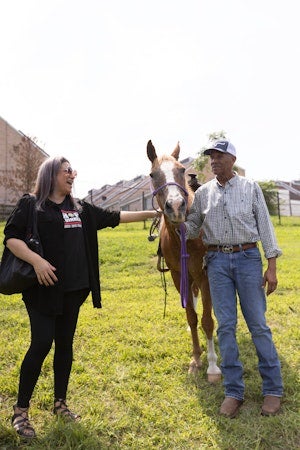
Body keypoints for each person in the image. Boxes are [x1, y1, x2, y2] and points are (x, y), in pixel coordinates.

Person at [4, 156, 158, 439]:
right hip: (42, 291)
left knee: (65, 345)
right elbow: (11, 238)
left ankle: (60, 403)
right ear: (52, 174)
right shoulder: (32, 204)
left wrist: (154, 214)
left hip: (73, 290)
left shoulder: (81, 209)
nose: (72, 175)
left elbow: (116, 217)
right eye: (67, 171)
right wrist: (37, 261)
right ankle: (20, 411)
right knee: (40, 344)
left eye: (73, 171)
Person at [183, 139, 283, 418]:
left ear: (232, 160)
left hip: (248, 259)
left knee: (257, 325)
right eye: (211, 157)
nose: (213, 161)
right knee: (225, 326)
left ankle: (273, 389)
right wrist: (180, 222)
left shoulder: (250, 188)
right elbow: (193, 226)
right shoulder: (203, 193)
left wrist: (271, 265)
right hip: (216, 262)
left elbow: (265, 225)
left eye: (219, 156)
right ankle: (234, 391)